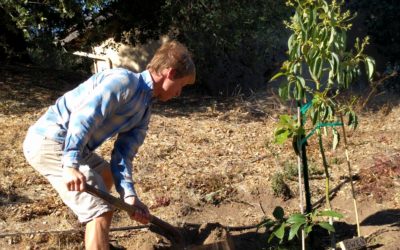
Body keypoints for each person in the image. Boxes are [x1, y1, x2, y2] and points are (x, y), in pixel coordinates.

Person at [23, 40, 196, 249]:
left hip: (72, 146)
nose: (179, 93)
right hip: (50, 140)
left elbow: (123, 155)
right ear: (169, 73)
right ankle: (95, 231)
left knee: (106, 175)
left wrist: (129, 197)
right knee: (101, 209)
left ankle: (95, 237)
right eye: (182, 85)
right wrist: (70, 165)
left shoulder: (143, 110)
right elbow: (82, 118)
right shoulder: (123, 81)